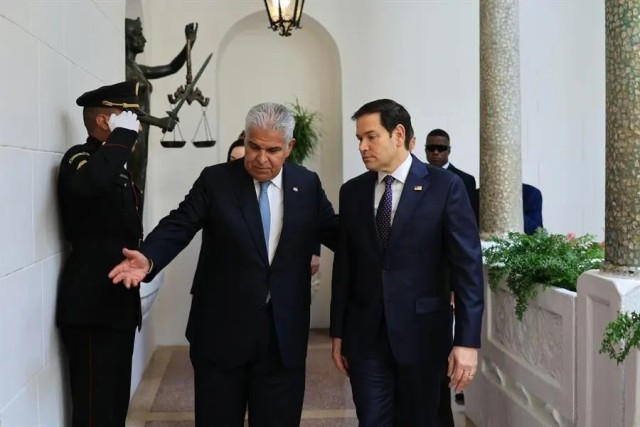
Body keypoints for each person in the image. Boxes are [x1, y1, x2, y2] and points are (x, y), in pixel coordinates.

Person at [108, 102, 338, 426]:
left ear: (290, 147)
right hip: (221, 334)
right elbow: (180, 223)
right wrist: (149, 257)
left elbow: (334, 232)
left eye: (273, 150)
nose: (261, 158)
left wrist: (387, 239)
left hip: (282, 337)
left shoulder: (307, 184)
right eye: (254, 146)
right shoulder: (216, 180)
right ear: (245, 138)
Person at [330, 99, 484, 427]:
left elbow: (468, 268)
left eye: (371, 137)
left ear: (398, 134)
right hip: (365, 339)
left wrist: (467, 341)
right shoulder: (352, 192)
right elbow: (345, 267)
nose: (362, 147)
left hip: (423, 337)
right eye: (359, 139)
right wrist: (338, 332)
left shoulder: (445, 187)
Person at [56, 81, 144, 426]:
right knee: (95, 409)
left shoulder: (114, 164)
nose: (135, 129)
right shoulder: (79, 158)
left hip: (116, 302)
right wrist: (121, 138)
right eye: (127, 119)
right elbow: (89, 185)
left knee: (114, 404)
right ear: (105, 121)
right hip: (91, 302)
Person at [125, 17, 197, 197]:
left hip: (143, 133)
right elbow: (126, 108)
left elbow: (171, 67)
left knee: (139, 182)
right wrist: (158, 121)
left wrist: (189, 44)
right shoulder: (125, 69)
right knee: (133, 184)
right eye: (139, 34)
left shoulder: (137, 68)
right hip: (132, 134)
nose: (144, 40)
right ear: (127, 38)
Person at [425, 128, 478, 222]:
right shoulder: (416, 177)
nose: (435, 152)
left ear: (448, 151)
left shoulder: (466, 180)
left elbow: (470, 217)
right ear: (426, 150)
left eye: (441, 148)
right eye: (431, 148)